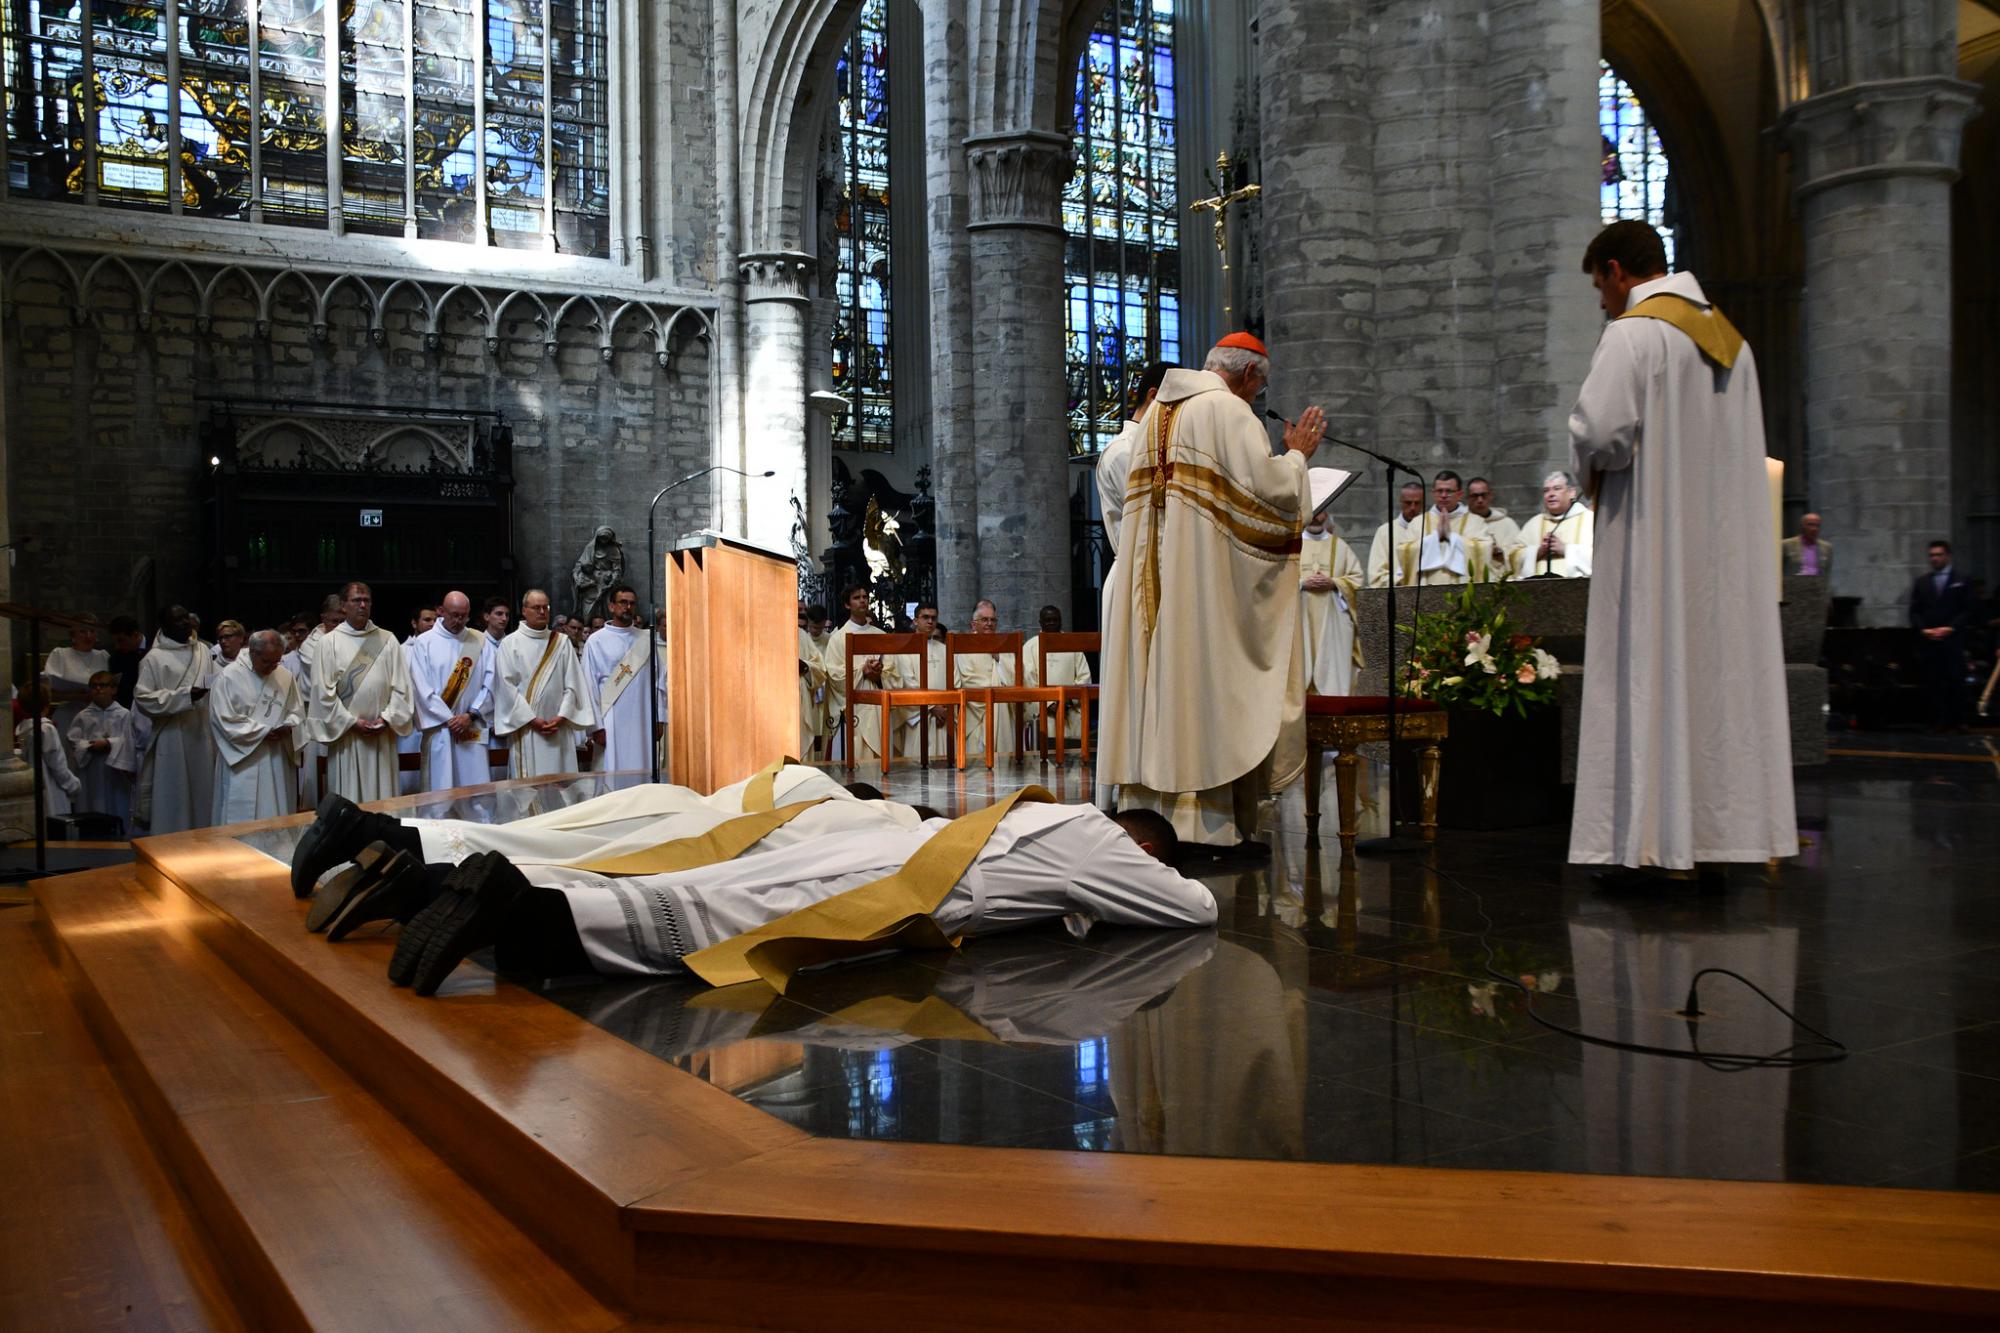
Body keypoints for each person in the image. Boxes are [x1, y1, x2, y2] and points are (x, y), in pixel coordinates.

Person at [386, 797, 1213, 996]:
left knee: (708, 882)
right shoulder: (1106, 841)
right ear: (1138, 842)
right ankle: (529, 916)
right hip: (913, 885)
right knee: (732, 923)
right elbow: (1191, 907)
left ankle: (478, 887)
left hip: (895, 847)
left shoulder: (1042, 809)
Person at [1567, 219, 1795, 877]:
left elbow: (1601, 431)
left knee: (1652, 666)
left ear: (1616, 270)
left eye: (1599, 287)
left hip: (1655, 539)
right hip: (1722, 552)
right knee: (1715, 678)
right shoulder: (1734, 345)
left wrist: (1581, 457)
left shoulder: (1634, 335)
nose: (1603, 302)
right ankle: (1717, 838)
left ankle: (1653, 843)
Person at [1100, 331, 1324, 850]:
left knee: (1156, 690)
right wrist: (1295, 458)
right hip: (1199, 598)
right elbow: (1271, 505)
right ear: (1248, 376)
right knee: (1201, 689)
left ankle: (1151, 820)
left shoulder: (1157, 414)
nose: (1257, 399)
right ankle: (1204, 823)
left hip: (1149, 591)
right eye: (1259, 389)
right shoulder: (1228, 413)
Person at [305, 582, 415, 803]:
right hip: (348, 736)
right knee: (349, 798)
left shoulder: (387, 640)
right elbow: (322, 693)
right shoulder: (328, 643)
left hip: (382, 736)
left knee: (383, 799)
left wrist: (387, 718)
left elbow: (402, 687)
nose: (363, 605)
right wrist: (351, 722)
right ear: (344, 606)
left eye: (367, 600)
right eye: (356, 600)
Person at [492, 588, 595, 778]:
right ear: (524, 610)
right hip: (527, 729)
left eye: (545, 607)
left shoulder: (562, 642)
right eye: (536, 607)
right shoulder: (510, 644)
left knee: (562, 788)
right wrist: (533, 720)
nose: (542, 612)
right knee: (530, 789)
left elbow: (573, 685)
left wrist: (562, 716)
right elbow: (507, 689)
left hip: (559, 729)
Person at [133, 604, 217, 834]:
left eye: (186, 618)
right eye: (178, 620)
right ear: (164, 626)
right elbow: (143, 697)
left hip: (200, 729)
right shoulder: (154, 658)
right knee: (174, 793)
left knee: (202, 791)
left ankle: (204, 840)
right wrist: (184, 696)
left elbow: (212, 683)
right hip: (172, 734)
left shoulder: (202, 651)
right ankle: (171, 840)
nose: (186, 623)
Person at [209, 629, 304, 824]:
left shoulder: (284, 676)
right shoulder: (229, 677)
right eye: (267, 662)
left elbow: (297, 712)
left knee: (276, 814)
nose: (272, 668)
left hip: (277, 757)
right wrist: (263, 731)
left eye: (276, 661)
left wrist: (289, 726)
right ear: (253, 653)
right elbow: (224, 720)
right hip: (244, 760)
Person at [408, 591, 495, 792]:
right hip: (441, 730)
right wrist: (451, 720)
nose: (458, 620)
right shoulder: (424, 642)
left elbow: (491, 684)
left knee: (476, 793)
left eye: (463, 616)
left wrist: (470, 715)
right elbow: (422, 689)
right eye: (453, 615)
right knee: (440, 793)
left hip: (471, 728)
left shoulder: (480, 641)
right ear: (441, 611)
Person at [1096, 361, 1180, 565]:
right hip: (1138, 569)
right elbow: (1152, 520)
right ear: (1154, 396)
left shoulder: (1163, 447)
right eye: (1178, 405)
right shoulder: (1124, 451)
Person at [581, 584, 660, 773]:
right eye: (623, 602)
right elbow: (588, 685)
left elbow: (659, 682)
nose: (628, 607)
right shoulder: (596, 640)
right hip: (610, 719)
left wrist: (659, 719)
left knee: (643, 772)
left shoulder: (646, 639)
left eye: (632, 603)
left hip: (643, 718)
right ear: (611, 606)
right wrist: (596, 728)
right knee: (611, 772)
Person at [821, 584, 889, 765]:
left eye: (865, 597)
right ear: (847, 605)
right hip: (852, 708)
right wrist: (862, 671)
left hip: (876, 706)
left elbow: (894, 673)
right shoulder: (838, 638)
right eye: (856, 597)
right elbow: (834, 675)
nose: (862, 600)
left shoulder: (881, 635)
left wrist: (879, 674)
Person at [1911, 540, 1974, 732]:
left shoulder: (1961, 580)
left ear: (1947, 556)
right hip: (1930, 640)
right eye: (1932, 555)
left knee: (1956, 680)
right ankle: (1938, 720)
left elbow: (1968, 610)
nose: (1935, 558)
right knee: (1934, 681)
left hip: (1953, 639)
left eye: (1938, 555)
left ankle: (1960, 720)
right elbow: (1915, 611)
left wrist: (1951, 628)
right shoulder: (1922, 582)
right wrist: (1923, 630)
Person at [1299, 511, 1363, 696]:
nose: (1315, 517)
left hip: (1333, 623)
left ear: (1326, 514)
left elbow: (1357, 578)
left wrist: (1334, 583)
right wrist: (1303, 583)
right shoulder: (1293, 546)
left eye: (1319, 512)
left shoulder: (1340, 547)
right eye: (1311, 511)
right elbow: (1279, 582)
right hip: (1301, 619)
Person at [68, 671, 134, 831]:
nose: (98, 689)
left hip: (115, 769)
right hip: (91, 768)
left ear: (113, 689)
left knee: (117, 802)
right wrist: (89, 746)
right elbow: (73, 741)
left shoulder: (124, 714)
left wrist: (109, 743)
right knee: (92, 803)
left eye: (103, 685)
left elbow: (130, 740)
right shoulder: (82, 716)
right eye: (94, 686)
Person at [882, 604, 950, 757]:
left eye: (933, 618)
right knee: (918, 764)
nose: (930, 621)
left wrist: (947, 708)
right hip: (920, 716)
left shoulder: (944, 649)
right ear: (915, 621)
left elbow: (954, 680)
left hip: (944, 716)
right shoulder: (905, 648)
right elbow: (908, 682)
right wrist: (932, 707)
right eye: (925, 617)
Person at [954, 599, 1016, 759]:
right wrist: (996, 691)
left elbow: (1016, 679)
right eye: (984, 619)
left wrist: (999, 659)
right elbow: (968, 681)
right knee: (978, 766)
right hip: (977, 718)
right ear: (973, 624)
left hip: (1002, 716)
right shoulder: (964, 647)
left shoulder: (1005, 646)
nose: (989, 623)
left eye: (993, 620)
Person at [1022, 604, 1092, 744]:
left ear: (1061, 621)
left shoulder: (1073, 644)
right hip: (1043, 712)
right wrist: (1049, 703)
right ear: (1040, 623)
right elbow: (1028, 680)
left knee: (1073, 758)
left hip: (1069, 710)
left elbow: (1084, 677)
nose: (1052, 623)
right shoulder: (1030, 647)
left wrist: (1068, 700)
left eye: (1055, 620)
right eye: (1048, 620)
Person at [1511, 470, 1594, 579]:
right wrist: (1538, 551)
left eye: (1557, 489)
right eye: (1546, 490)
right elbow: (1514, 556)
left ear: (1572, 492)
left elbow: (1604, 557)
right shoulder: (1534, 523)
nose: (1551, 494)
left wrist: (1565, 549)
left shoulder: (1589, 519)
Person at [16, 685, 82, 819]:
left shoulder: (22, 729)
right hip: (51, 791)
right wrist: (73, 785)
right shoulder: (46, 730)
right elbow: (57, 765)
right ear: (46, 705)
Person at [1416, 470, 1493, 584]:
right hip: (1426, 589)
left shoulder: (1476, 522)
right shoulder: (1417, 523)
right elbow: (1405, 550)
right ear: (1433, 493)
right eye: (1439, 491)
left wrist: (1451, 537)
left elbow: (1484, 549)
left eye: (1449, 491)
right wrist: (1435, 538)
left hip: (1464, 588)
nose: (1443, 495)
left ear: (1460, 494)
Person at [42, 616, 108, 738]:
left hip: (98, 716)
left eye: (92, 631)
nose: (88, 636)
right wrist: (75, 696)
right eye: (83, 631)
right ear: (73, 635)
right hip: (69, 715)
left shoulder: (103, 656)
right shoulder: (61, 655)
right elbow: (47, 691)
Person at [1367, 481, 1426, 588]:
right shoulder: (1385, 532)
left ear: (1423, 503)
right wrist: (1402, 580)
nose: (1413, 507)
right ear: (1401, 501)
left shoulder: (1429, 529)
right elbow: (1376, 574)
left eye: (1417, 503)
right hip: (1396, 594)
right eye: (1408, 503)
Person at [1466, 477, 1523, 579]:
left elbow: (1518, 555)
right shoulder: (1463, 524)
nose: (1480, 500)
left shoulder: (1507, 524)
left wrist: (1501, 554)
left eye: (1483, 495)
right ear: (1468, 498)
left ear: (1490, 495)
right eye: (1474, 496)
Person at [104, 615, 146, 711]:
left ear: (135, 635)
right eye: (114, 642)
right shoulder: (116, 658)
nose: (117, 647)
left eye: (121, 641)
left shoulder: (155, 647)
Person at [1781, 513, 1832, 579]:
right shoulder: (1787, 544)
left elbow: (1827, 573)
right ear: (1802, 526)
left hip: (1817, 586)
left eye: (1817, 526)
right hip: (1794, 586)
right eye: (1810, 524)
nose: (1814, 529)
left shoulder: (1827, 547)